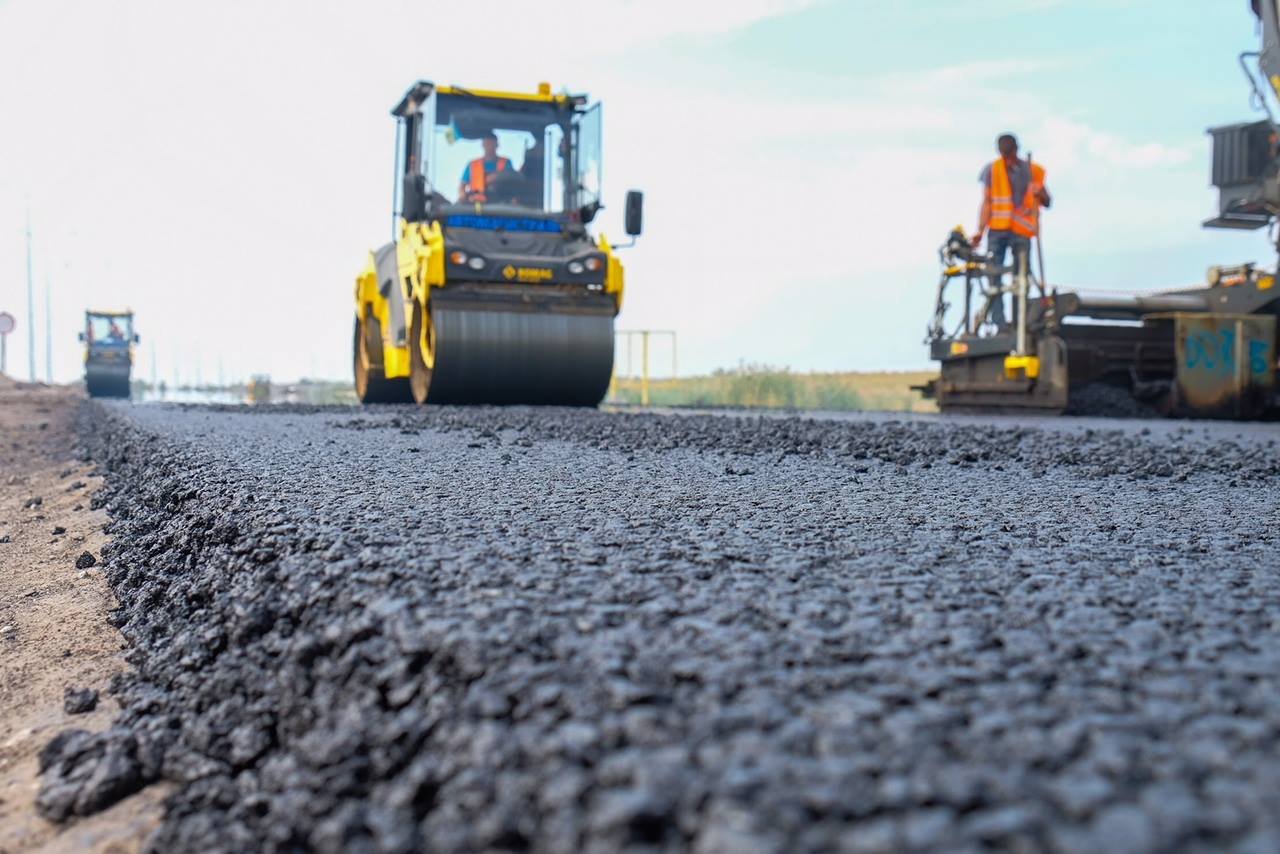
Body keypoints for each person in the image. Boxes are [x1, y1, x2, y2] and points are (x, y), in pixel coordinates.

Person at [971, 133, 1050, 327]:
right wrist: (980, 231)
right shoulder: (992, 170)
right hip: (997, 231)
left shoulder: (1033, 171)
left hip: (1022, 232)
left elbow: (1048, 201)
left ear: (1017, 150)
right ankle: (1000, 323)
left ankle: (1020, 321)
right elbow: (987, 203)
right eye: (1005, 155)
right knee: (994, 276)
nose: (1008, 159)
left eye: (1011, 154)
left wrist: (1041, 193)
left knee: (1021, 278)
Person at [458, 132, 513, 202]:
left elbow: (512, 182)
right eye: (487, 144)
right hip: (477, 204)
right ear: (483, 145)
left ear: (497, 145)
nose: (489, 147)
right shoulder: (472, 164)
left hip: (501, 203)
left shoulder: (506, 163)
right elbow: (462, 185)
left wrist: (495, 177)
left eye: (491, 144)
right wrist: (462, 195)